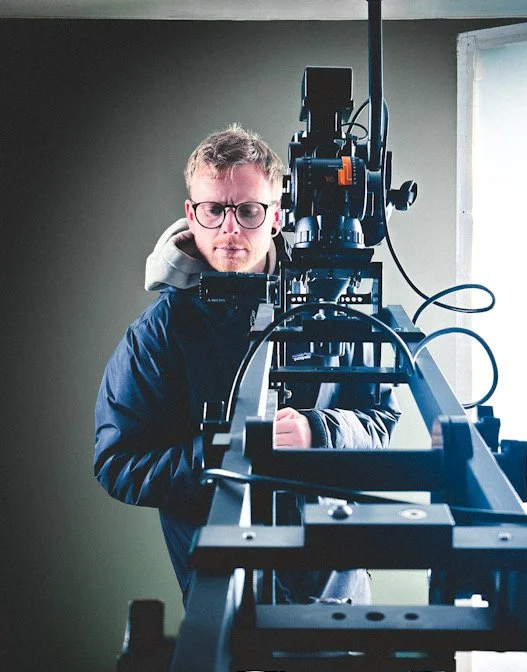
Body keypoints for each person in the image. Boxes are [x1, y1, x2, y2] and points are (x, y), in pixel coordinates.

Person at [94, 124, 400, 605]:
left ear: (276, 216)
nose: (230, 228)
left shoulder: (334, 310)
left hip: (338, 594)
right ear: (191, 216)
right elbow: (119, 464)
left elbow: (380, 422)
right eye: (214, 210)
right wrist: (224, 455)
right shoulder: (159, 334)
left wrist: (319, 431)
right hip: (224, 601)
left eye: (249, 210)